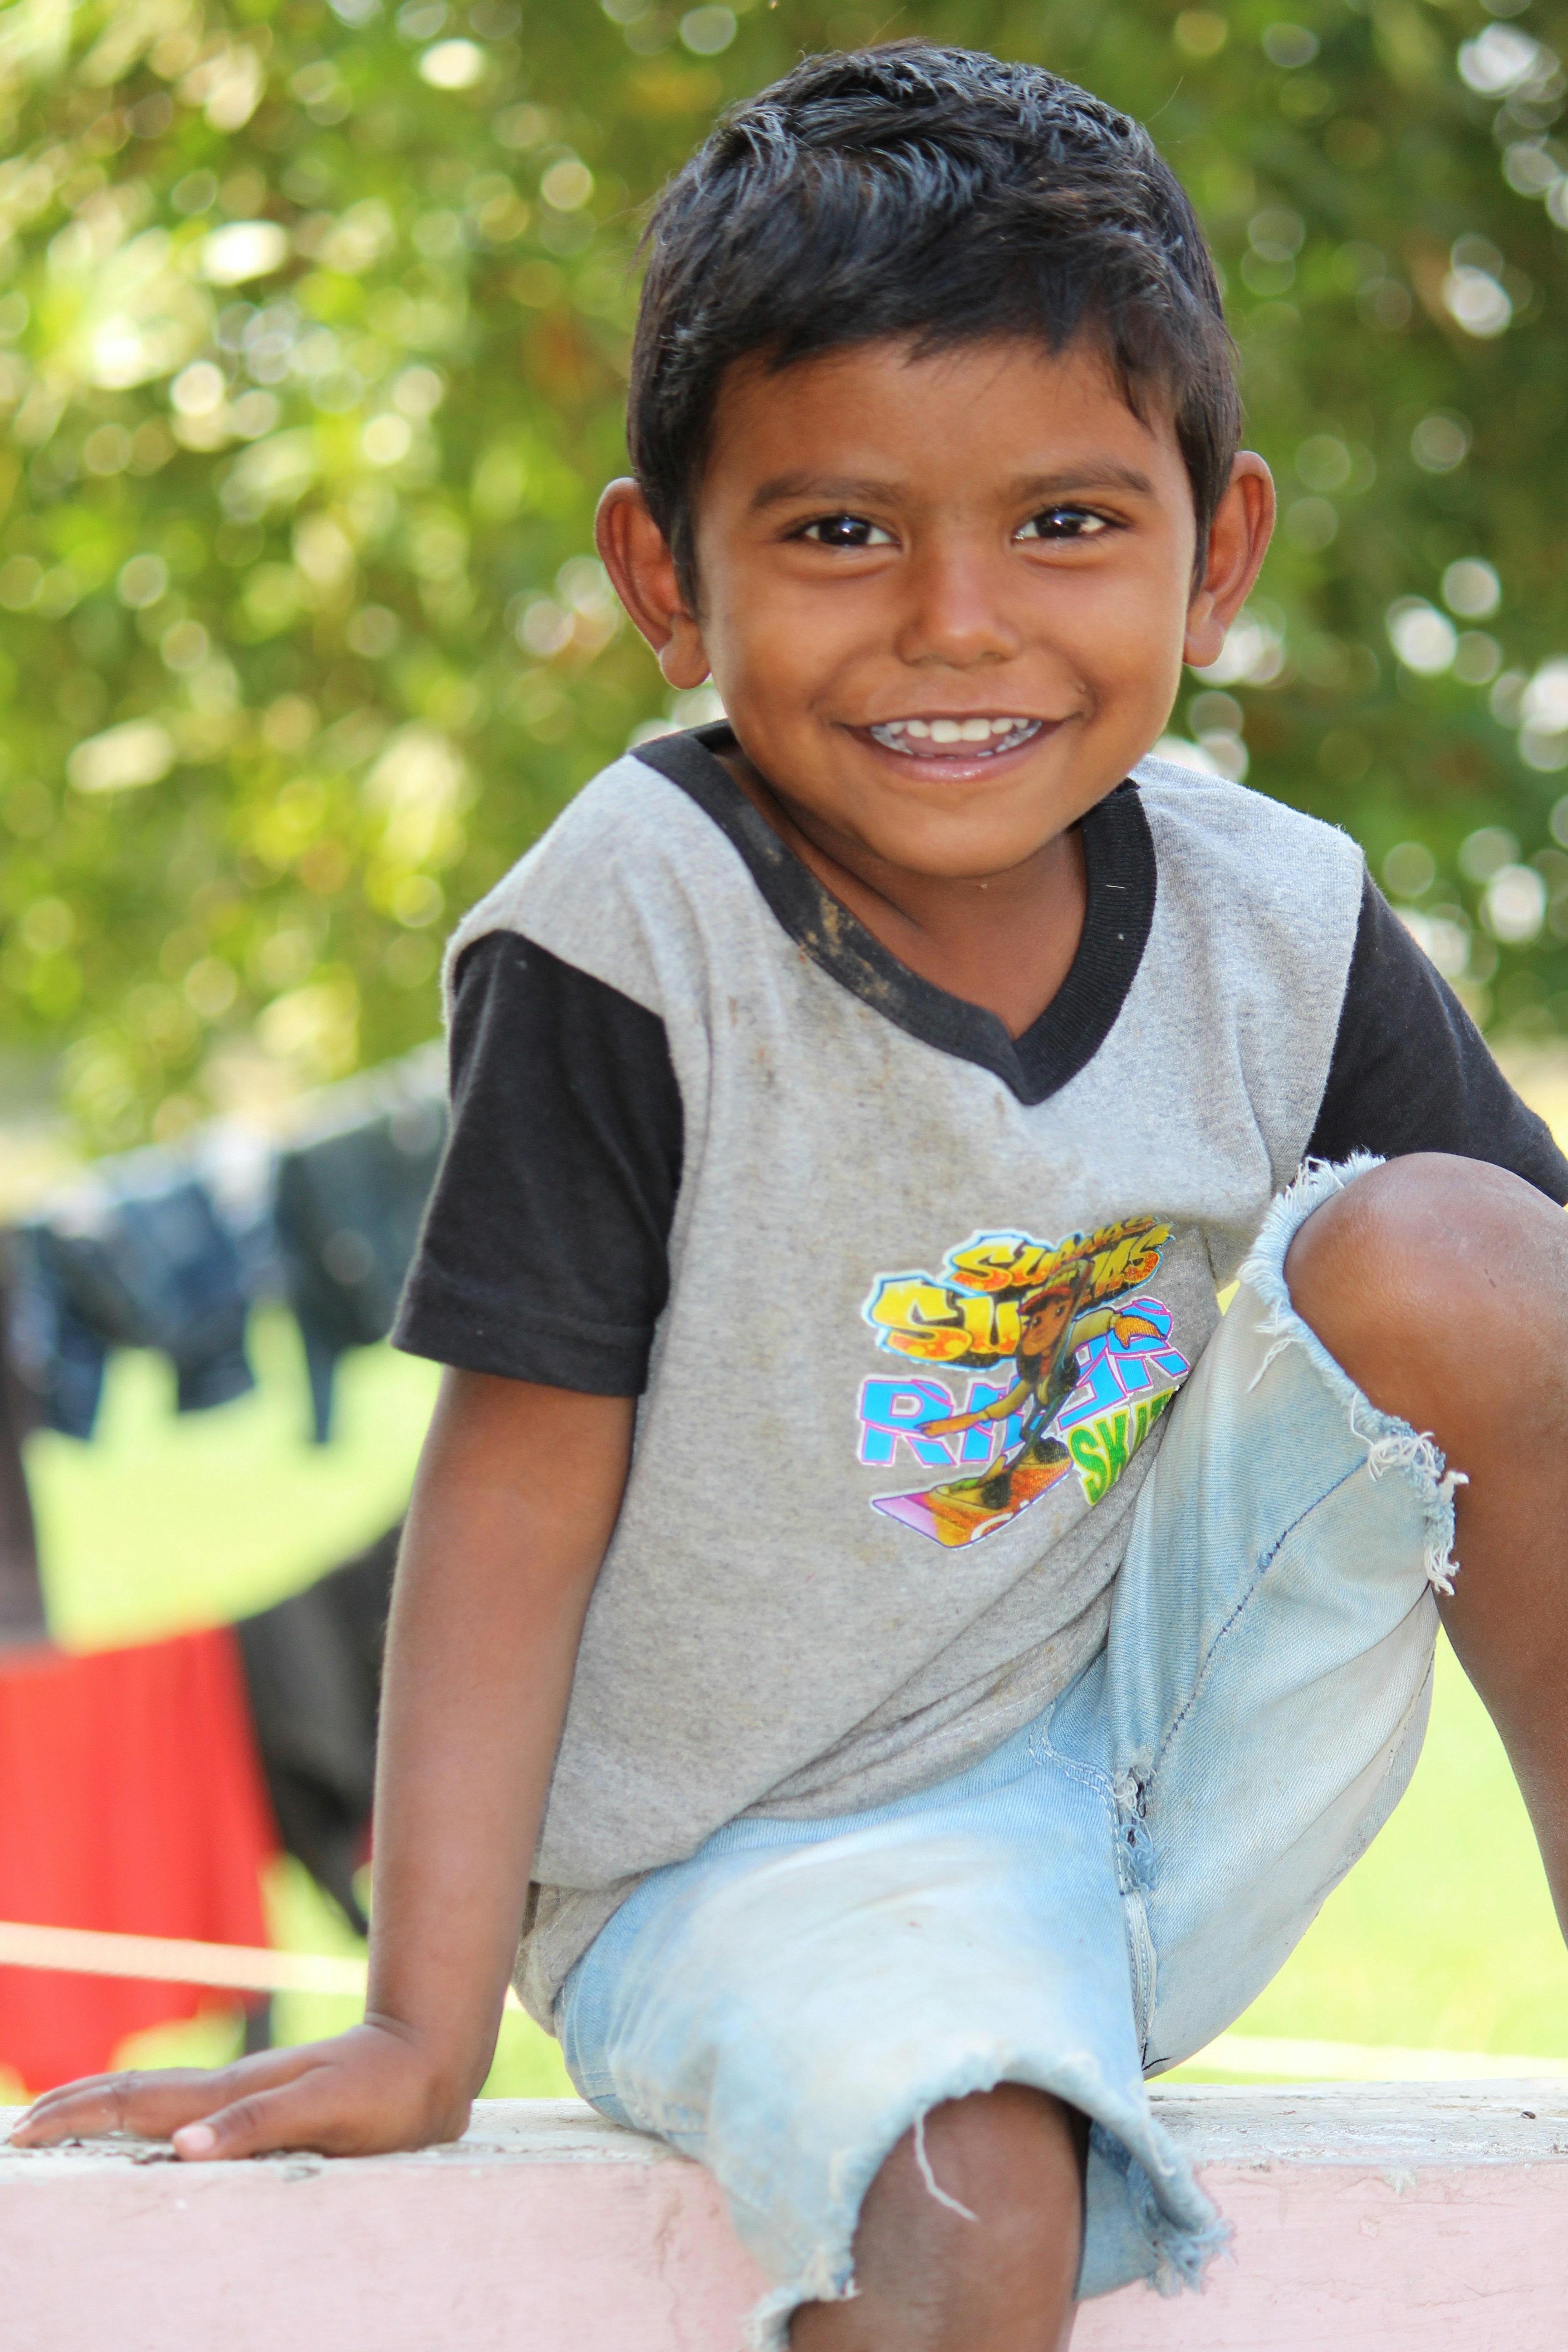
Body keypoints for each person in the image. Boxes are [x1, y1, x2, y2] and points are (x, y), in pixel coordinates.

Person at [18, 42, 1568, 2351]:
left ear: (1216, 555)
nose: (959, 621)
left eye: (1064, 523)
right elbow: (516, 1494)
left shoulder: (1285, 915)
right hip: (755, 1857)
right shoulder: (630, 938)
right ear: (668, 574)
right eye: (841, 531)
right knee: (971, 2198)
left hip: (1161, 1760)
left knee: (1467, 1254)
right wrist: (420, 2024)